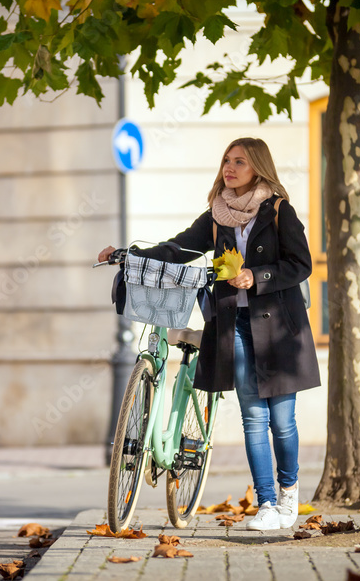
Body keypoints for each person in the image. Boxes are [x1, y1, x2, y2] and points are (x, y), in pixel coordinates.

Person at [97, 137, 320, 532]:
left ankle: (289, 493)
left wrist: (258, 275)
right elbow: (179, 248)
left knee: (282, 421)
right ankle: (267, 503)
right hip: (233, 323)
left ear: (258, 169)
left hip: (280, 329)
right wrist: (129, 254)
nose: (229, 168)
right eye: (226, 161)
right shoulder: (217, 215)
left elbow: (301, 264)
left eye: (240, 162)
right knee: (253, 417)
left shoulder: (279, 210)